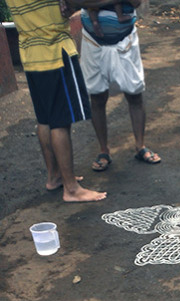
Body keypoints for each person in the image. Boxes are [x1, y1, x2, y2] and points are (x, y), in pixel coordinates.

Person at [4, 0, 106, 202]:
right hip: (54, 52)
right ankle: (71, 189)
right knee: (60, 121)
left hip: (30, 54)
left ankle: (54, 176)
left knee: (45, 119)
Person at [76, 0, 161, 171]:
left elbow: (136, 2)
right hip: (93, 41)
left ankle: (140, 146)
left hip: (125, 39)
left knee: (134, 94)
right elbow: (77, 2)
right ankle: (103, 150)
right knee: (97, 97)